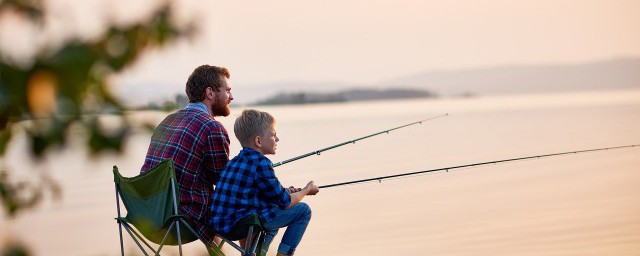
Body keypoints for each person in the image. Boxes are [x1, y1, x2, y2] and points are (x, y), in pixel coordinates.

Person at [140, 64, 233, 244]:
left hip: (148, 217)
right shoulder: (212, 127)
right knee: (245, 207)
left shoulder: (168, 120)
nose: (231, 96)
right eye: (227, 90)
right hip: (180, 221)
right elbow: (225, 184)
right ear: (210, 93)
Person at [211, 109, 320, 256]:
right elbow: (285, 202)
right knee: (303, 210)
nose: (278, 139)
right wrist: (307, 189)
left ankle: (258, 252)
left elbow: (260, 192)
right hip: (243, 225)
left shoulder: (233, 162)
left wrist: (285, 190)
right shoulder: (261, 163)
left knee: (271, 206)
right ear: (258, 141)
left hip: (220, 226)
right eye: (274, 135)